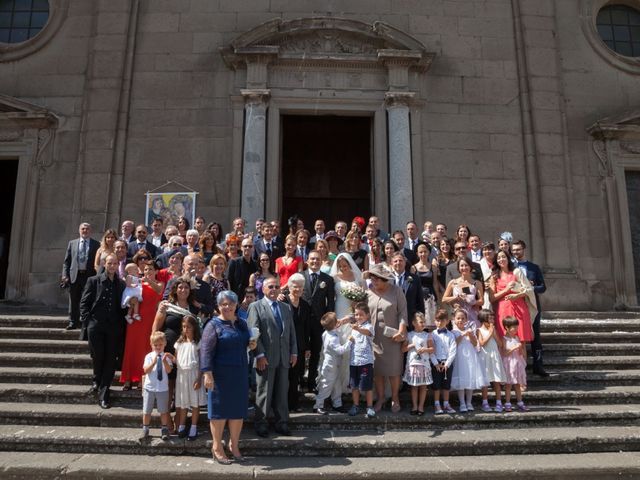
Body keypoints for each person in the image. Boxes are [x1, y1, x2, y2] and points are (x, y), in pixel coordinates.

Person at [201, 290, 257, 463]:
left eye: (230, 304)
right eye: (223, 304)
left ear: (235, 305)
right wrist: (207, 373)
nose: (227, 307)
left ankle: (234, 445)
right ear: (218, 307)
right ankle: (217, 447)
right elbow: (205, 350)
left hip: (239, 373)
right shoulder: (213, 325)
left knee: (237, 411)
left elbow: (247, 341)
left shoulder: (241, 323)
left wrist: (251, 343)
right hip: (219, 375)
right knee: (219, 412)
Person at [248, 277, 298, 437]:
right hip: (265, 357)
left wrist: (294, 351)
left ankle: (282, 422)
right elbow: (253, 332)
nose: (274, 289)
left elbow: (291, 332)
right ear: (262, 289)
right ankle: (261, 423)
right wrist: (260, 354)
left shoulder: (285, 307)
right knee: (264, 392)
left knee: (282, 392)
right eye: (270, 286)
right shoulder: (255, 306)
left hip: (284, 357)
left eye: (277, 286)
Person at [79, 254, 126, 409]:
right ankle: (96, 380)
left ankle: (104, 392)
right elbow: (84, 302)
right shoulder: (94, 280)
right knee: (98, 355)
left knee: (110, 359)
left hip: (113, 327)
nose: (112, 266)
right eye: (109, 263)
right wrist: (88, 320)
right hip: (96, 325)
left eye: (115, 263)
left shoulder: (121, 284)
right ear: (104, 264)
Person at [364, 263, 408, 413]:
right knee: (378, 371)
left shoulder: (397, 291)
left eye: (377, 279)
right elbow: (361, 313)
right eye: (372, 278)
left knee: (394, 370)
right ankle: (381, 398)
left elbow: (403, 313)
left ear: (384, 280)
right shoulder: (368, 293)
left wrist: (401, 331)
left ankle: (395, 398)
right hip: (374, 338)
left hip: (393, 337)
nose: (374, 282)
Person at [152, 276, 199, 410]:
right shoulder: (166, 306)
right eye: (180, 287)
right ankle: (166, 414)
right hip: (168, 348)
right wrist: (155, 347)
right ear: (175, 290)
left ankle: (180, 413)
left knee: (182, 381)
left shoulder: (194, 308)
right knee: (169, 382)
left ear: (190, 290)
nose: (183, 290)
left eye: (186, 287)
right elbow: (155, 327)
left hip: (186, 351)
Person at [120, 261, 164, 390]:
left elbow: (158, 290)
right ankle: (128, 379)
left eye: (151, 269)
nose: (148, 272)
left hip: (149, 321)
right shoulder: (137, 284)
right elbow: (129, 296)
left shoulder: (159, 284)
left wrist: (148, 281)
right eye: (145, 270)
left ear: (156, 271)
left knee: (145, 349)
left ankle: (141, 378)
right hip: (135, 321)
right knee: (131, 348)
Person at [330, 252, 366, 393]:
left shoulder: (357, 276)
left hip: (354, 311)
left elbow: (364, 295)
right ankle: (339, 384)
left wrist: (356, 302)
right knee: (341, 343)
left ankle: (354, 382)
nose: (344, 268)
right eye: (341, 266)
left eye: (346, 265)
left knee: (354, 345)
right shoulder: (334, 278)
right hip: (339, 310)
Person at [512, 240, 548, 376]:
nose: (516, 252)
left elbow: (543, 287)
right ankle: (517, 368)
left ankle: (538, 366)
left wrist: (530, 288)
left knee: (535, 336)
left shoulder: (534, 267)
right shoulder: (509, 267)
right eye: (514, 250)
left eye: (518, 249)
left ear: (524, 249)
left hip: (532, 305)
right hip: (516, 305)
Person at [302, 250, 335, 392]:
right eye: (312, 259)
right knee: (300, 351)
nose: (314, 261)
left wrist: (328, 320)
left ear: (321, 261)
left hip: (318, 322)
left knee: (316, 352)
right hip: (301, 321)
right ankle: (299, 382)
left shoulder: (327, 279)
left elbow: (330, 304)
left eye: (317, 259)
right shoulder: (300, 276)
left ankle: (311, 383)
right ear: (307, 261)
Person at [489, 250, 537, 342]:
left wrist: (517, 295)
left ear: (508, 259)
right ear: (496, 261)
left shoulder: (516, 272)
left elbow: (529, 289)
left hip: (519, 307)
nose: (501, 259)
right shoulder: (494, 277)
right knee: (504, 339)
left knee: (521, 340)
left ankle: (522, 357)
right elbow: (492, 298)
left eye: (503, 257)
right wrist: (506, 290)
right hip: (503, 309)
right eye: (498, 258)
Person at [62, 222, 100, 330]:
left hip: (88, 276)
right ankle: (73, 322)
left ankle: (85, 322)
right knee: (73, 299)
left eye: (87, 229)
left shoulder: (96, 244)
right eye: (83, 229)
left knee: (87, 300)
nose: (85, 231)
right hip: (75, 275)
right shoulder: (72, 243)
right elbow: (67, 261)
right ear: (79, 230)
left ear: (90, 231)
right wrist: (65, 275)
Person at [174, 315, 205, 441]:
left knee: (195, 402)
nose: (186, 329)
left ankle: (193, 426)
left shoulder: (198, 343)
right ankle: (182, 425)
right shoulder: (179, 343)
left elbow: (202, 362)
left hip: (194, 376)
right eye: (184, 327)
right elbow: (177, 360)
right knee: (183, 402)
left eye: (189, 327)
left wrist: (199, 378)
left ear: (194, 328)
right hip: (182, 376)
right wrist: (171, 359)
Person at [283, 273, 311, 412]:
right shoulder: (283, 302)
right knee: (284, 376)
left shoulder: (305, 305)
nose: (298, 289)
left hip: (299, 345)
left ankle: (293, 404)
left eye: (301, 287)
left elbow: (307, 328)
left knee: (295, 376)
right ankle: (283, 404)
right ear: (289, 287)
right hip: (285, 345)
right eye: (295, 286)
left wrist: (307, 347)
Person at [313, 312, 351, 415]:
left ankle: (337, 404)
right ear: (334, 325)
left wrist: (337, 325)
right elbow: (340, 350)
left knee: (337, 385)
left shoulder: (328, 332)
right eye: (336, 320)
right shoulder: (332, 338)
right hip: (331, 365)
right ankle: (318, 405)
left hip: (334, 364)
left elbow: (334, 330)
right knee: (327, 385)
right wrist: (350, 342)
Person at [450, 308, 487, 413]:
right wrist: (462, 335)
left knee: (470, 378)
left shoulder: (470, 331)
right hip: (459, 358)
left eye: (462, 318)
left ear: (466, 320)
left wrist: (470, 335)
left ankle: (469, 402)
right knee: (461, 380)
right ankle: (462, 403)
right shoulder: (453, 332)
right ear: (454, 319)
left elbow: (475, 344)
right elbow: (454, 344)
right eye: (458, 318)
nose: (460, 320)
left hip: (470, 357)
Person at [140, 331, 174, 441]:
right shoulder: (149, 356)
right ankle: (145, 428)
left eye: (160, 345)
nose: (158, 347)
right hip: (150, 387)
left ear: (164, 344)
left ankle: (164, 428)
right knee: (147, 410)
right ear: (151, 345)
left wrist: (164, 362)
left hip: (162, 388)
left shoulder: (166, 356)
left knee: (163, 410)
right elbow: (146, 370)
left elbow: (169, 371)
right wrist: (154, 362)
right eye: (156, 345)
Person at [347, 301, 376, 418]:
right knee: (354, 386)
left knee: (367, 385)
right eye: (356, 314)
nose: (358, 317)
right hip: (354, 361)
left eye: (361, 315)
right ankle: (355, 405)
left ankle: (369, 406)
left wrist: (358, 329)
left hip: (366, 362)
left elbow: (368, 333)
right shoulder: (354, 328)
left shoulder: (369, 326)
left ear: (367, 315)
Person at [402, 312, 434, 416]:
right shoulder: (410, 334)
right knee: (414, 386)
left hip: (423, 364)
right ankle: (414, 406)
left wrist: (425, 349)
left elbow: (432, 349)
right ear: (414, 323)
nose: (423, 323)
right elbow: (403, 349)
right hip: (413, 363)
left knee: (423, 386)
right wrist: (411, 345)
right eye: (421, 322)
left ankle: (421, 406)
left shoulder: (427, 335)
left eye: (424, 321)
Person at [477, 309, 506, 412]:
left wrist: (494, 334)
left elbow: (500, 344)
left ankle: (499, 402)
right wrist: (490, 333)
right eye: (490, 318)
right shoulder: (479, 330)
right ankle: (485, 402)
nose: (492, 319)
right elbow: (482, 343)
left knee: (496, 380)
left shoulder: (494, 330)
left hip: (494, 356)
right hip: (485, 357)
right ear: (483, 319)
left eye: (493, 317)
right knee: (485, 381)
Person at [442, 257, 484, 328]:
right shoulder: (453, 282)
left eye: (466, 265)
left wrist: (472, 301)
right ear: (458, 268)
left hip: (472, 316)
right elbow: (444, 299)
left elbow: (482, 301)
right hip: (458, 316)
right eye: (461, 266)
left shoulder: (477, 283)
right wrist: (456, 298)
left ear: (470, 267)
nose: (464, 268)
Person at [430, 308, 457, 414]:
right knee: (436, 385)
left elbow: (453, 350)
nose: (439, 322)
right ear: (434, 320)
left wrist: (447, 363)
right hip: (436, 363)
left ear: (447, 321)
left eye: (442, 320)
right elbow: (431, 350)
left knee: (446, 385)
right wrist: (435, 363)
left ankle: (446, 404)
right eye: (437, 320)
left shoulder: (451, 335)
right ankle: (437, 404)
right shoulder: (432, 334)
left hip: (447, 363)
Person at [501, 316, 529, 412]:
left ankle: (520, 402)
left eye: (517, 327)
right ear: (506, 328)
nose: (516, 329)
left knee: (517, 384)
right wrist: (514, 348)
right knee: (508, 385)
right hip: (509, 364)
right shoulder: (504, 339)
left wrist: (520, 348)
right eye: (514, 327)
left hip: (517, 363)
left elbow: (520, 353)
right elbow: (504, 353)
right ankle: (507, 403)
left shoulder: (517, 337)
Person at [390, 252, 424, 328]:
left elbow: (420, 300)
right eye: (395, 261)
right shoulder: (387, 279)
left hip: (410, 318)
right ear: (391, 263)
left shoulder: (415, 279)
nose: (398, 263)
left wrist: (420, 318)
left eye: (400, 260)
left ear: (405, 262)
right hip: (391, 318)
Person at [414, 242, 440, 321]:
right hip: (418, 296)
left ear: (429, 253)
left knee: (431, 319)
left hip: (430, 296)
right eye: (421, 252)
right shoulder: (413, 268)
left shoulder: (433, 267)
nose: (423, 254)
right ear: (417, 254)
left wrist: (438, 298)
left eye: (425, 251)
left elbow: (435, 283)